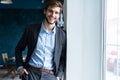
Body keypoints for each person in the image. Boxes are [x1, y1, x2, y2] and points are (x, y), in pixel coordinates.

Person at [15, 0, 66, 80]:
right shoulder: (31, 29)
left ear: (59, 15)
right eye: (50, 11)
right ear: (45, 11)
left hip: (50, 76)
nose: (53, 15)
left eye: (56, 13)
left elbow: (63, 58)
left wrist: (58, 76)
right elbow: (18, 49)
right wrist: (20, 67)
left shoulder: (62, 35)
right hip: (31, 74)